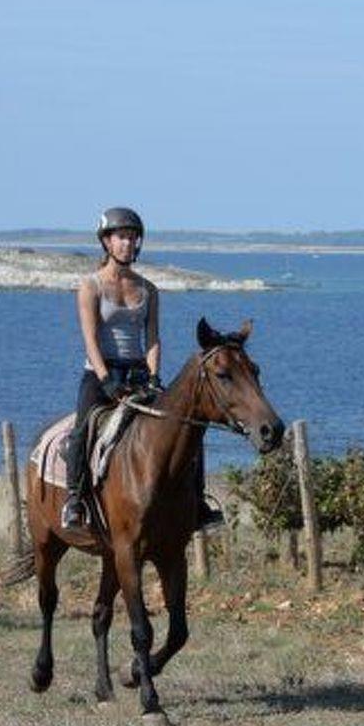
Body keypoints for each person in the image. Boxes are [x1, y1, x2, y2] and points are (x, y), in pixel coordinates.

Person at [59, 209, 224, 532]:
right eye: (121, 237)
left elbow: (152, 339)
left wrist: (153, 376)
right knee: (83, 429)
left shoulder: (148, 289)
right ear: (107, 242)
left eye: (133, 238)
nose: (128, 243)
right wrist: (105, 379)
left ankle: (198, 502)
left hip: (138, 374)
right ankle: (75, 500)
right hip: (101, 374)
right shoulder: (90, 286)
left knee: (187, 426)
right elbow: (90, 339)